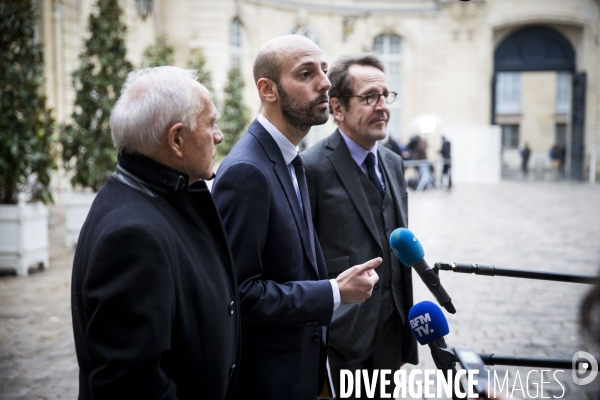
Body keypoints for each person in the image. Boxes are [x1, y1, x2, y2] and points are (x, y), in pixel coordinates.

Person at [212, 35, 381, 400]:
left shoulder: (289, 157)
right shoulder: (247, 171)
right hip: (269, 381)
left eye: (323, 70)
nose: (324, 82)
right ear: (267, 89)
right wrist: (335, 292)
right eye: (306, 74)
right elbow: (238, 295)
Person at [71, 66, 240, 399]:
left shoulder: (153, 194)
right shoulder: (134, 237)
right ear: (176, 140)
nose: (219, 135)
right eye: (210, 123)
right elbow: (133, 386)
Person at [301, 53, 418, 399]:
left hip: (391, 335)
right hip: (341, 341)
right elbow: (302, 258)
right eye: (370, 97)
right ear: (337, 108)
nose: (382, 106)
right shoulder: (312, 167)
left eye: (386, 95)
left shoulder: (394, 164)